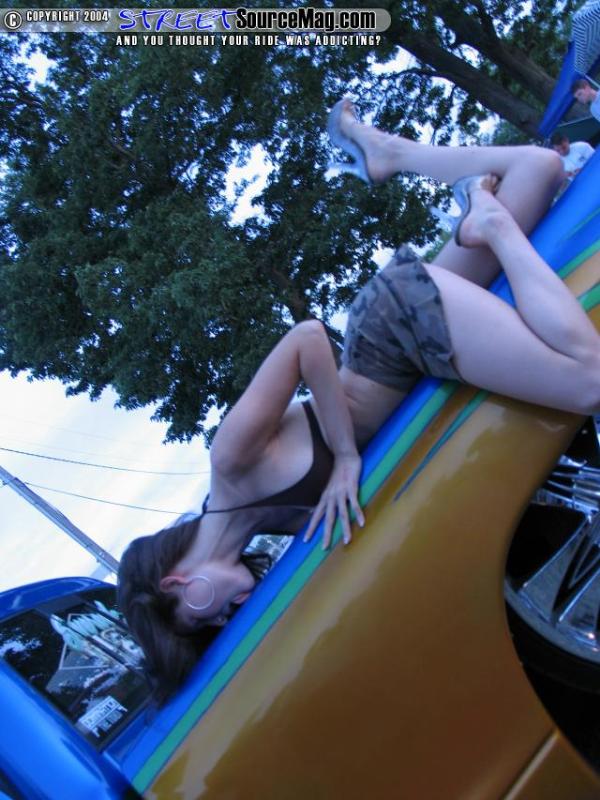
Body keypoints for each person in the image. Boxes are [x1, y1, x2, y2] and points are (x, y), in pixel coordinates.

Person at [118, 99, 600, 703]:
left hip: (394, 326)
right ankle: (389, 154)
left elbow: (306, 339)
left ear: (175, 584)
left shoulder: (231, 462)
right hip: (409, 352)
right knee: (538, 168)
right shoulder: (276, 528)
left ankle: (491, 222)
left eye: (197, 618)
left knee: (590, 381)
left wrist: (345, 455)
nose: (219, 618)